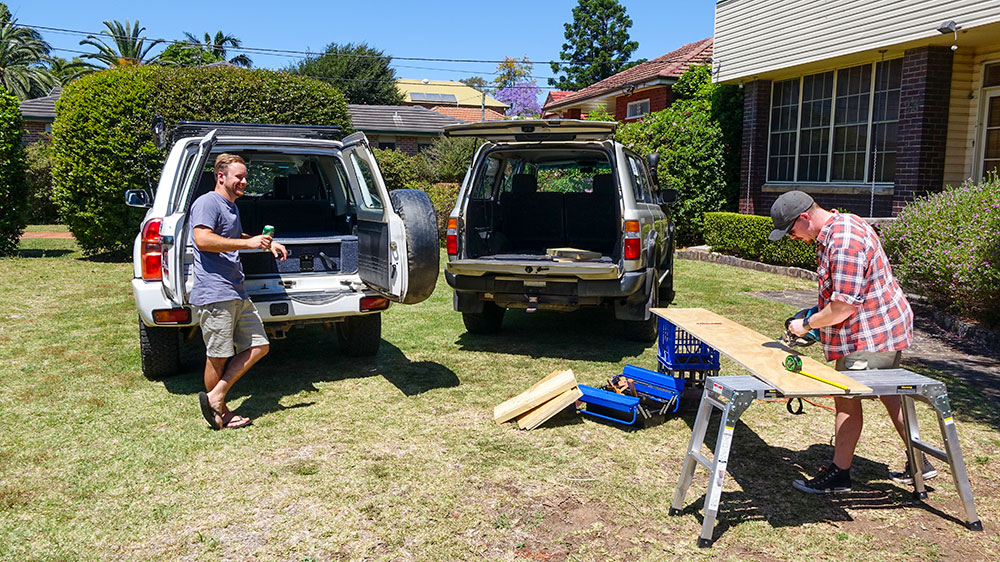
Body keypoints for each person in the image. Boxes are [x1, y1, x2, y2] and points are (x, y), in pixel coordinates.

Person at [768, 190, 934, 494]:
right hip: (883, 328)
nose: (793, 238)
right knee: (889, 394)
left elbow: (843, 306)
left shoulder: (843, 240)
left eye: (791, 231)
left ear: (805, 217)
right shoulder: (840, 226)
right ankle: (920, 462)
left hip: (871, 334)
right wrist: (817, 319)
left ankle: (840, 473)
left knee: (845, 395)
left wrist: (806, 325)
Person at [191, 153, 287, 430]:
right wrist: (248, 244)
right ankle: (219, 413)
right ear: (221, 176)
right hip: (215, 291)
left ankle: (215, 396)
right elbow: (203, 239)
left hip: (235, 289)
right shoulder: (208, 202)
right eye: (239, 177)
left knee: (260, 345)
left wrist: (266, 243)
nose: (244, 182)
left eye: (245, 177)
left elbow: (234, 235)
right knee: (218, 354)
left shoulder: (230, 206)